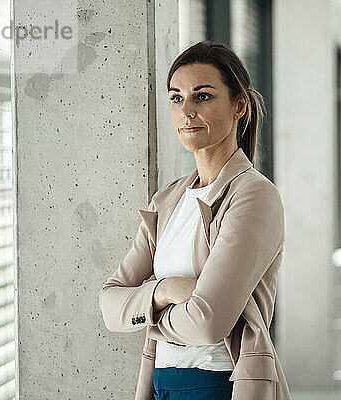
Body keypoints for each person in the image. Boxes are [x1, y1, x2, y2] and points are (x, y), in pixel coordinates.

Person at [98, 41, 291, 400]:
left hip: (219, 384)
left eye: (202, 97)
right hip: (160, 383)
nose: (186, 110)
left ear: (239, 106)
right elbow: (110, 304)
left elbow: (207, 323)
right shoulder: (168, 200)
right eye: (176, 98)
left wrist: (145, 308)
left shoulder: (252, 195)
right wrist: (166, 290)